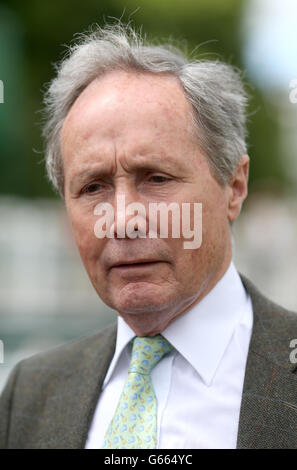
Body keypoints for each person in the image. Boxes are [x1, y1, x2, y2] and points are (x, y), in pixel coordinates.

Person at [0, 22, 296, 450]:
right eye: (93, 187)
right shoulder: (28, 394)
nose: (122, 220)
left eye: (156, 178)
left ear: (234, 186)